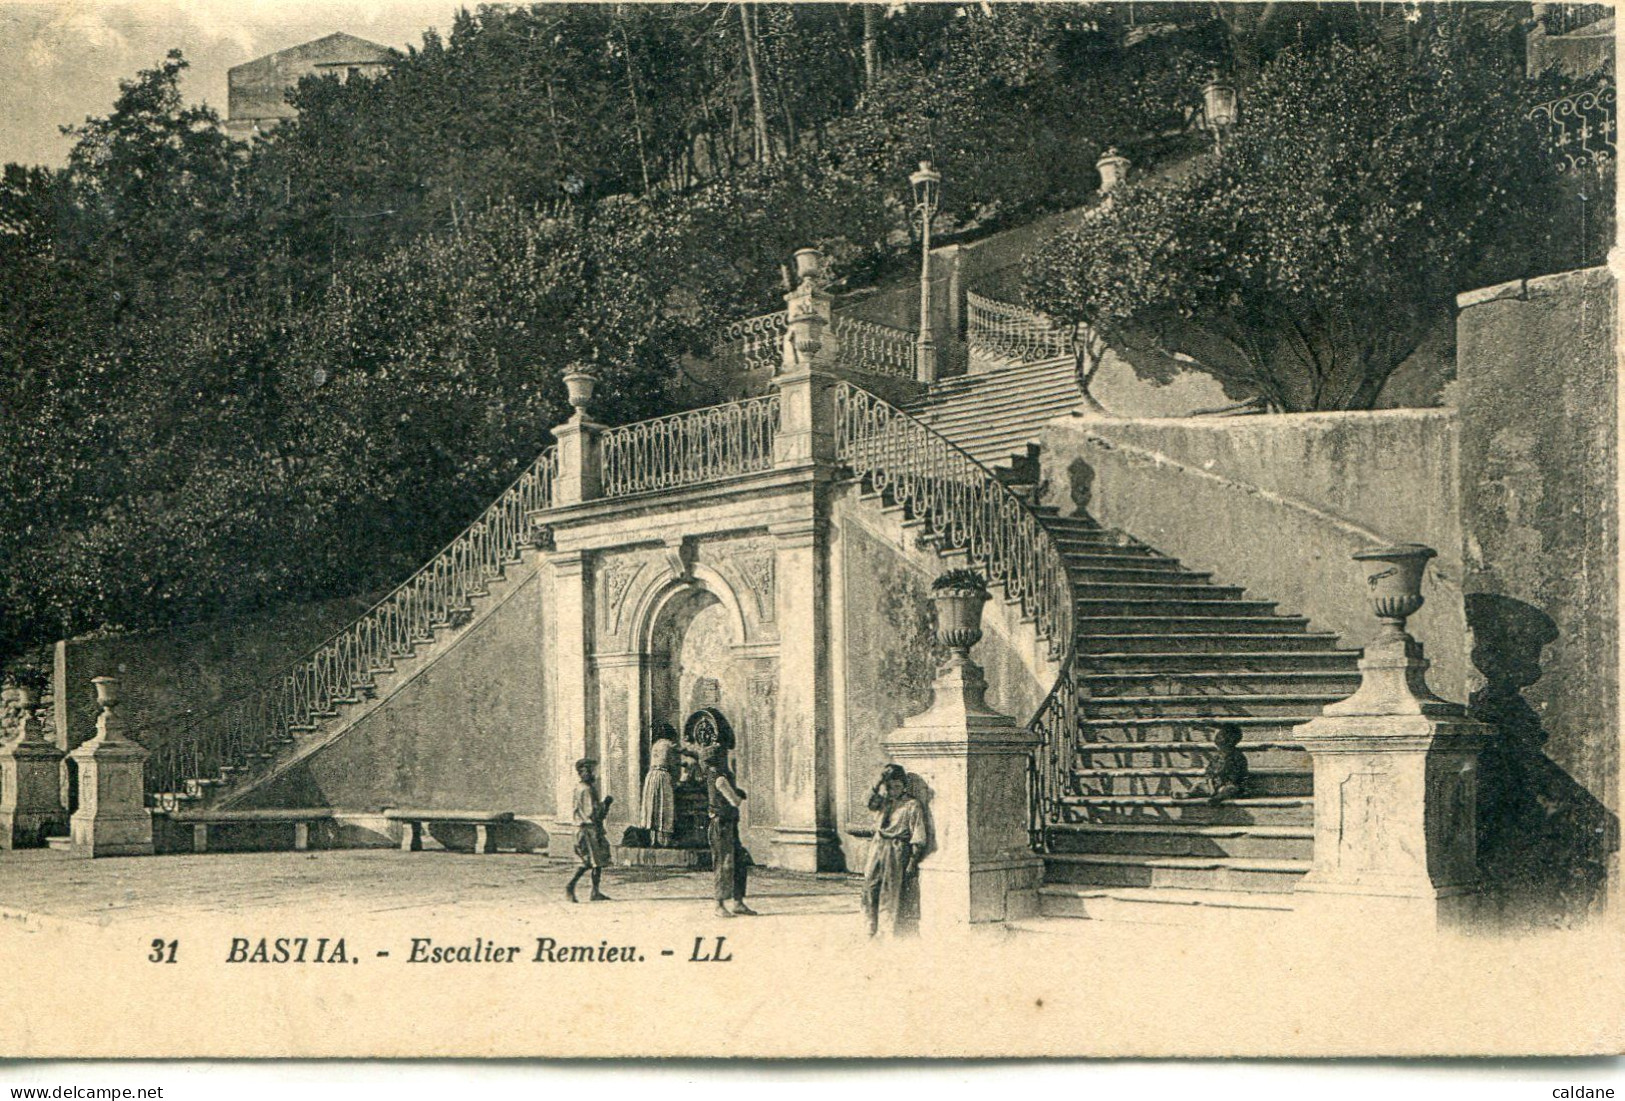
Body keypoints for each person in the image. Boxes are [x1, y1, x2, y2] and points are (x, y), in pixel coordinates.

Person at [862, 763, 927, 937]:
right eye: (890, 787)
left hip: (897, 848)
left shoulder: (912, 805)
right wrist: (879, 781)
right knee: (870, 884)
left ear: (904, 786)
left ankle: (886, 930)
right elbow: (868, 802)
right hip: (878, 845)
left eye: (897, 786)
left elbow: (918, 834)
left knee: (890, 890)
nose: (893, 790)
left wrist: (913, 860)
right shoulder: (883, 801)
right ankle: (870, 925)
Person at [702, 743, 756, 918]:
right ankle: (719, 905)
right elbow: (734, 801)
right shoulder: (720, 778)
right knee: (724, 863)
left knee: (738, 861)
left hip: (728, 823)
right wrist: (739, 795)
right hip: (722, 824)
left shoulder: (715, 775)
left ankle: (738, 902)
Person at [641, 721, 696, 848]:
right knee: (664, 805)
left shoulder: (656, 745)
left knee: (653, 806)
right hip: (662, 777)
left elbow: (664, 759)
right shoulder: (669, 744)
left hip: (651, 776)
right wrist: (694, 754)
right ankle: (665, 840)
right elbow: (685, 752)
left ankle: (653, 840)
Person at [566, 758, 613, 903]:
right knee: (587, 862)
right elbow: (592, 813)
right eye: (591, 771)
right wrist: (606, 804)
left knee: (598, 862)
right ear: (582, 772)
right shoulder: (586, 790)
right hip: (588, 829)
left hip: (592, 829)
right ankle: (570, 886)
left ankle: (595, 891)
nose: (594, 775)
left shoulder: (584, 788)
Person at [1193, 722, 1249, 805]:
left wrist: (1223, 783)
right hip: (1215, 784)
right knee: (1198, 785)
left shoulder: (1237, 756)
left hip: (1230, 784)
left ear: (1230, 740)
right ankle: (1189, 794)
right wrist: (1210, 783)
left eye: (1219, 736)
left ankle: (1218, 798)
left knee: (1228, 789)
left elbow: (1238, 775)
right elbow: (1209, 771)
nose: (1215, 739)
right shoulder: (1216, 756)